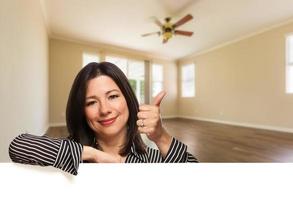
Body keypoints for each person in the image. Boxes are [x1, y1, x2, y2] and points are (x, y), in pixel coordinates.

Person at [9, 62, 198, 175]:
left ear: (128, 100)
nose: (104, 109)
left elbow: (198, 184)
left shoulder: (152, 159)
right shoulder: (70, 154)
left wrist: (161, 136)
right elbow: (18, 146)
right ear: (82, 111)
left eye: (113, 96)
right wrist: (95, 155)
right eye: (91, 102)